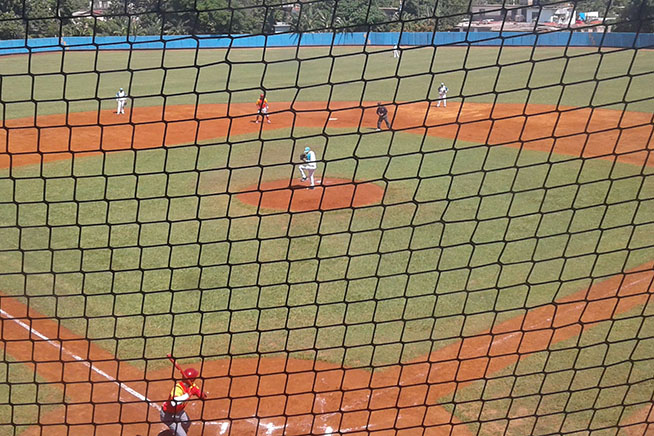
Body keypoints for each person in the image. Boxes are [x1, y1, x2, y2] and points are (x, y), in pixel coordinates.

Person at [160, 367, 206, 436]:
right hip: (168, 414)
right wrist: (189, 394)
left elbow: (202, 395)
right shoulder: (178, 388)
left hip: (179, 411)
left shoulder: (191, 386)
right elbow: (174, 402)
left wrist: (200, 394)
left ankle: (176, 432)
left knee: (187, 423)